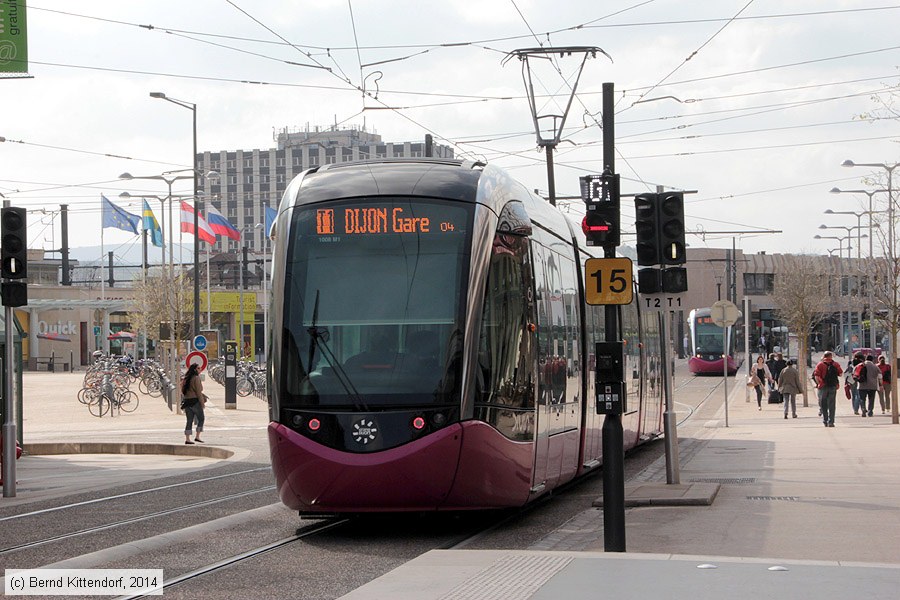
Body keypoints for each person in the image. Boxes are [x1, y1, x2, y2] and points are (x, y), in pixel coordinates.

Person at [814, 350, 843, 427]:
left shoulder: (820, 364)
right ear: (831, 356)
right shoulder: (836, 364)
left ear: (824, 356)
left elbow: (816, 375)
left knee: (823, 404)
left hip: (823, 386)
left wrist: (820, 383)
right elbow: (840, 373)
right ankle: (831, 421)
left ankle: (825, 420)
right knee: (832, 404)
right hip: (833, 386)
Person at [181, 363, 206, 444]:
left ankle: (187, 439)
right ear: (195, 369)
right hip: (195, 402)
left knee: (189, 420)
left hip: (187, 402)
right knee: (201, 418)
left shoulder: (186, 378)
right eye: (198, 368)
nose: (200, 369)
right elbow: (199, 392)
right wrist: (202, 403)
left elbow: (182, 391)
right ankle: (197, 436)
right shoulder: (196, 378)